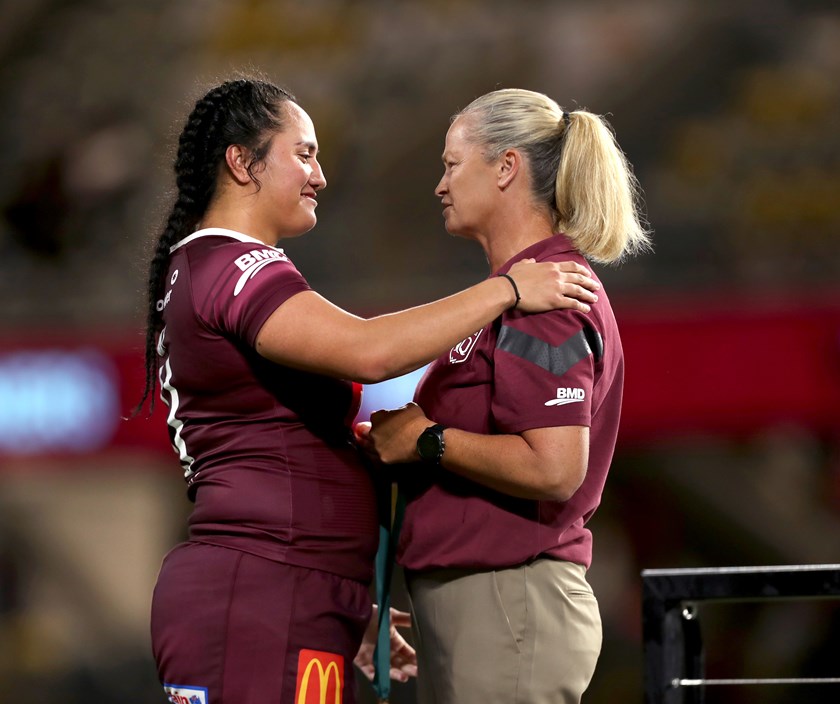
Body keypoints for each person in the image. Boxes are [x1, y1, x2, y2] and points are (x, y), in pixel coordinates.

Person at [137, 77, 601, 704]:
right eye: (303, 153)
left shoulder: (209, 269)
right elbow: (372, 351)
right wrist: (507, 289)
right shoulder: (231, 264)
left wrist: (349, 594)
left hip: (287, 589)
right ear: (242, 163)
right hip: (264, 589)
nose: (320, 175)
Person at [356, 88, 651, 704]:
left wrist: (425, 440)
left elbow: (554, 468)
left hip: (509, 599)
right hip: (483, 602)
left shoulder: (547, 298)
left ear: (505, 167)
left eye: (451, 164)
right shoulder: (515, 294)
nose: (440, 185)